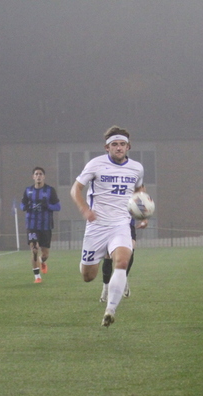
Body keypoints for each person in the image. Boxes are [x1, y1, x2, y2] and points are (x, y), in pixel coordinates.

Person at [70, 125, 145, 327]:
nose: (119, 148)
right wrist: (85, 209)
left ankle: (110, 310)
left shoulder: (137, 168)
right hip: (97, 226)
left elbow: (139, 189)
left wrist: (142, 213)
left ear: (128, 146)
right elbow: (75, 189)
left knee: (121, 262)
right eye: (114, 144)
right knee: (88, 276)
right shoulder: (95, 164)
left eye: (122, 144)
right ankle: (92, 261)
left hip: (121, 224)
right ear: (107, 147)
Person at [20, 167, 61, 283]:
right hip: (32, 225)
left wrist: (47, 205)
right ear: (33, 177)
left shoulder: (50, 190)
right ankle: (37, 277)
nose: (38, 176)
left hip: (46, 226)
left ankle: (42, 261)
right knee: (34, 249)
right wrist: (25, 207)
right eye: (36, 174)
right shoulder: (28, 191)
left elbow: (58, 207)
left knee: (45, 253)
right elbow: (22, 204)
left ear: (44, 176)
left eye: (40, 174)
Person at [99, 218, 138, 301]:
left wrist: (144, 217)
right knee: (108, 255)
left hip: (127, 224)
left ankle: (123, 279)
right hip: (109, 224)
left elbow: (138, 206)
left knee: (130, 249)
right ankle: (106, 289)